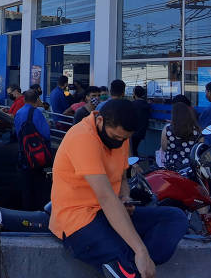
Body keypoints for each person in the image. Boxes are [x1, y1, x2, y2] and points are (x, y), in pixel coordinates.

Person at [50, 99, 188, 278]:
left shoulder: (121, 137)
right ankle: (130, 263)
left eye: (124, 138)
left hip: (112, 212)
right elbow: (106, 197)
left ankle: (132, 262)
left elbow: (122, 177)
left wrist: (125, 197)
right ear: (100, 121)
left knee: (175, 218)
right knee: (129, 271)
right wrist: (140, 250)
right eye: (116, 137)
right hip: (78, 220)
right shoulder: (82, 137)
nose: (120, 142)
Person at [15, 89, 52, 210]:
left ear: (24, 100)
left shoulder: (19, 112)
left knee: (26, 186)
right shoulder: (37, 113)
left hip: (23, 154)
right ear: (37, 100)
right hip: (37, 155)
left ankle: (25, 211)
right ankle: (37, 212)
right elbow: (46, 134)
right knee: (38, 185)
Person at [160, 102, 200, 171]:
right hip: (190, 167)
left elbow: (164, 148)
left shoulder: (167, 129)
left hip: (172, 166)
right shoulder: (196, 130)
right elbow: (199, 149)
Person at [131, 86, 152, 157]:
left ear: (135, 94)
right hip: (141, 132)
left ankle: (134, 165)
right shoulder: (147, 105)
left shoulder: (132, 104)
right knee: (134, 149)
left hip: (132, 132)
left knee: (132, 151)